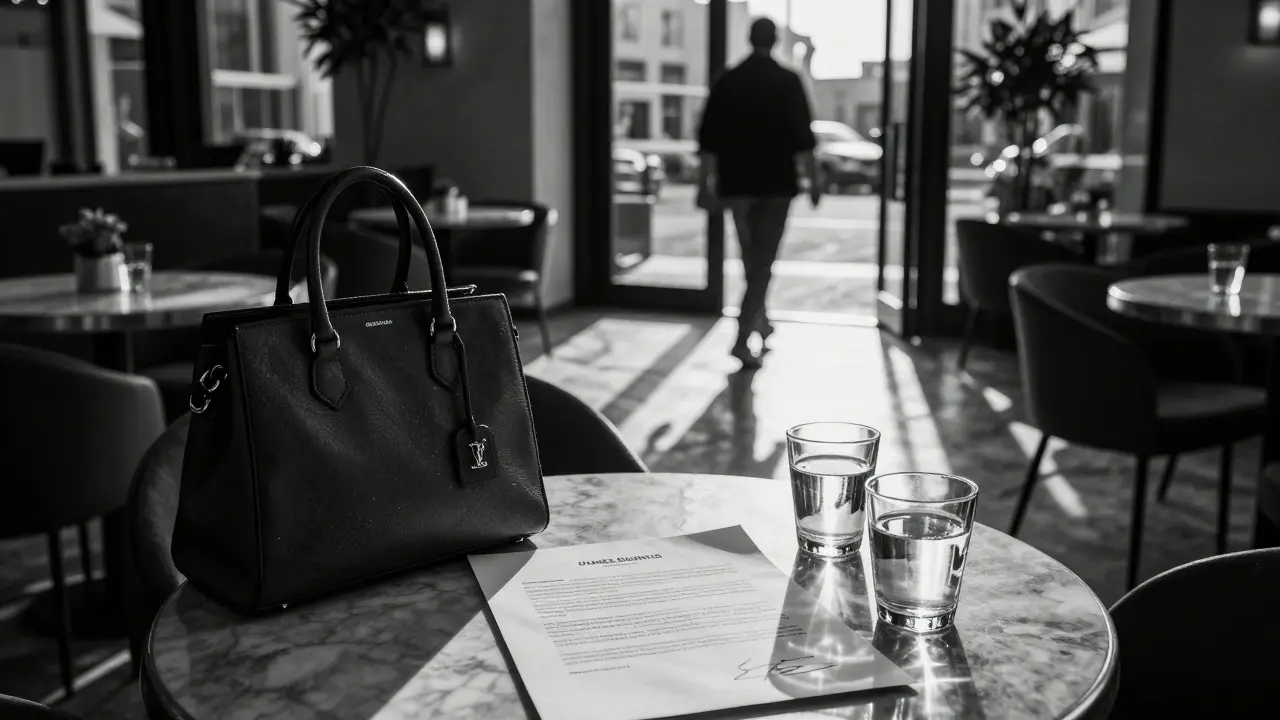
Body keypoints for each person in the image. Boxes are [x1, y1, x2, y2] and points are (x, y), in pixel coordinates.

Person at [697, 17, 821, 368]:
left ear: (749, 39)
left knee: (752, 258)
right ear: (776, 40)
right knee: (763, 262)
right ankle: (741, 337)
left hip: (736, 185)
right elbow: (804, 138)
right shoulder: (788, 81)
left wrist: (703, 183)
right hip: (776, 185)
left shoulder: (729, 80)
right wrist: (815, 181)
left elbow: (708, 139)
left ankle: (760, 320)